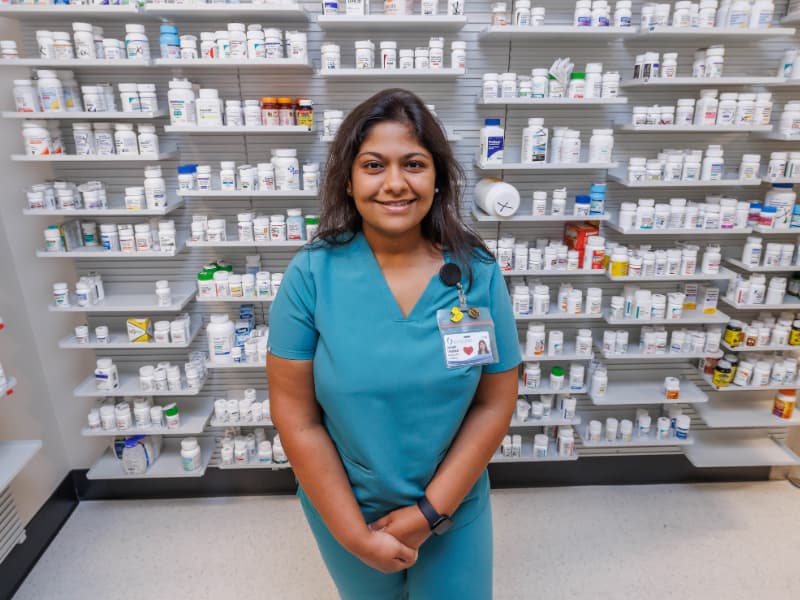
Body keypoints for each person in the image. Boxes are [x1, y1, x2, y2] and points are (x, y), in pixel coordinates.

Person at [266, 88, 521, 599]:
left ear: (438, 177)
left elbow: (495, 403)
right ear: (349, 178)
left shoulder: (477, 274)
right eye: (374, 165)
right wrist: (355, 537)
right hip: (347, 507)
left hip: (453, 505)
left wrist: (430, 512)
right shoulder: (312, 275)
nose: (395, 184)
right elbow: (296, 417)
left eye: (414, 164)